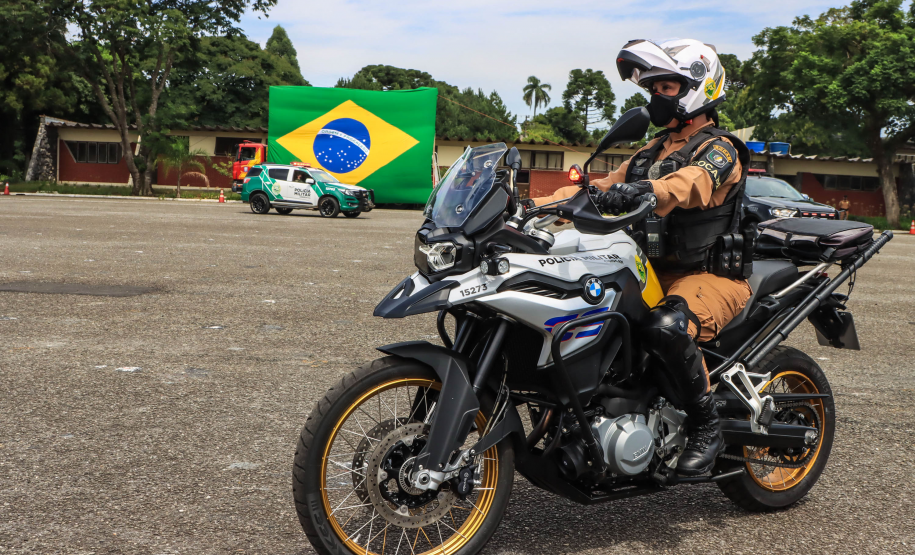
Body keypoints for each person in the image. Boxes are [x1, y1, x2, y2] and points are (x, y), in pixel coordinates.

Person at [532, 38, 752, 476]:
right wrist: (534, 207)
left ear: (698, 87)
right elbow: (596, 189)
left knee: (664, 325)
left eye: (667, 87)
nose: (657, 98)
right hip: (648, 270)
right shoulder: (648, 153)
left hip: (708, 276)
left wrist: (651, 190)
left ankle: (707, 424)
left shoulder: (722, 148)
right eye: (653, 89)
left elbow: (693, 182)